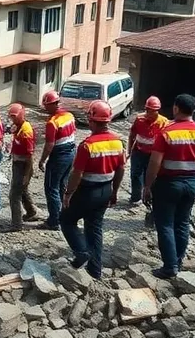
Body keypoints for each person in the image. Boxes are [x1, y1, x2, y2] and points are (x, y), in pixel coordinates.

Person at [143, 94, 195, 280]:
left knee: (165, 224)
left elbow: (154, 163)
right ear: (194, 110)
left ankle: (169, 267)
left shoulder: (166, 132)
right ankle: (178, 261)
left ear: (175, 108)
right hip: (192, 183)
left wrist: (147, 186)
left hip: (168, 184)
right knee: (182, 222)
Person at [60, 101, 125, 279]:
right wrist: (114, 192)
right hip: (105, 190)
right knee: (94, 228)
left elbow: (77, 173)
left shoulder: (87, 145)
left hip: (86, 192)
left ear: (91, 120)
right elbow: (120, 169)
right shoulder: (118, 142)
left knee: (66, 220)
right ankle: (95, 270)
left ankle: (81, 252)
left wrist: (68, 194)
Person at [37, 90, 77, 231]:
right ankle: (63, 215)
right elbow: (73, 133)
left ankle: (54, 221)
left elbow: (49, 144)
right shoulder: (69, 116)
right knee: (61, 185)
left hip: (59, 155)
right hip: (71, 152)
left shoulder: (52, 122)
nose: (45, 108)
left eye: (46, 105)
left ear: (52, 104)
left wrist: (42, 160)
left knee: (51, 187)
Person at [128, 95, 168, 212]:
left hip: (153, 155)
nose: (149, 113)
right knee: (135, 174)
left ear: (157, 110)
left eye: (152, 111)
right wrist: (129, 150)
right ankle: (135, 198)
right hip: (138, 152)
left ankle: (148, 197)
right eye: (147, 110)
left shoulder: (164, 122)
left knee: (150, 176)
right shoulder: (139, 119)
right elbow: (132, 135)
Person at [5, 102, 39, 231]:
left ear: (20, 115)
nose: (12, 119)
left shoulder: (26, 131)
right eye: (11, 117)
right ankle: (31, 212)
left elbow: (30, 156)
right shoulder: (19, 127)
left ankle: (16, 224)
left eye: (14, 117)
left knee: (14, 195)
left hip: (23, 165)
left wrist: (27, 175)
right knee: (22, 190)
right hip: (18, 162)